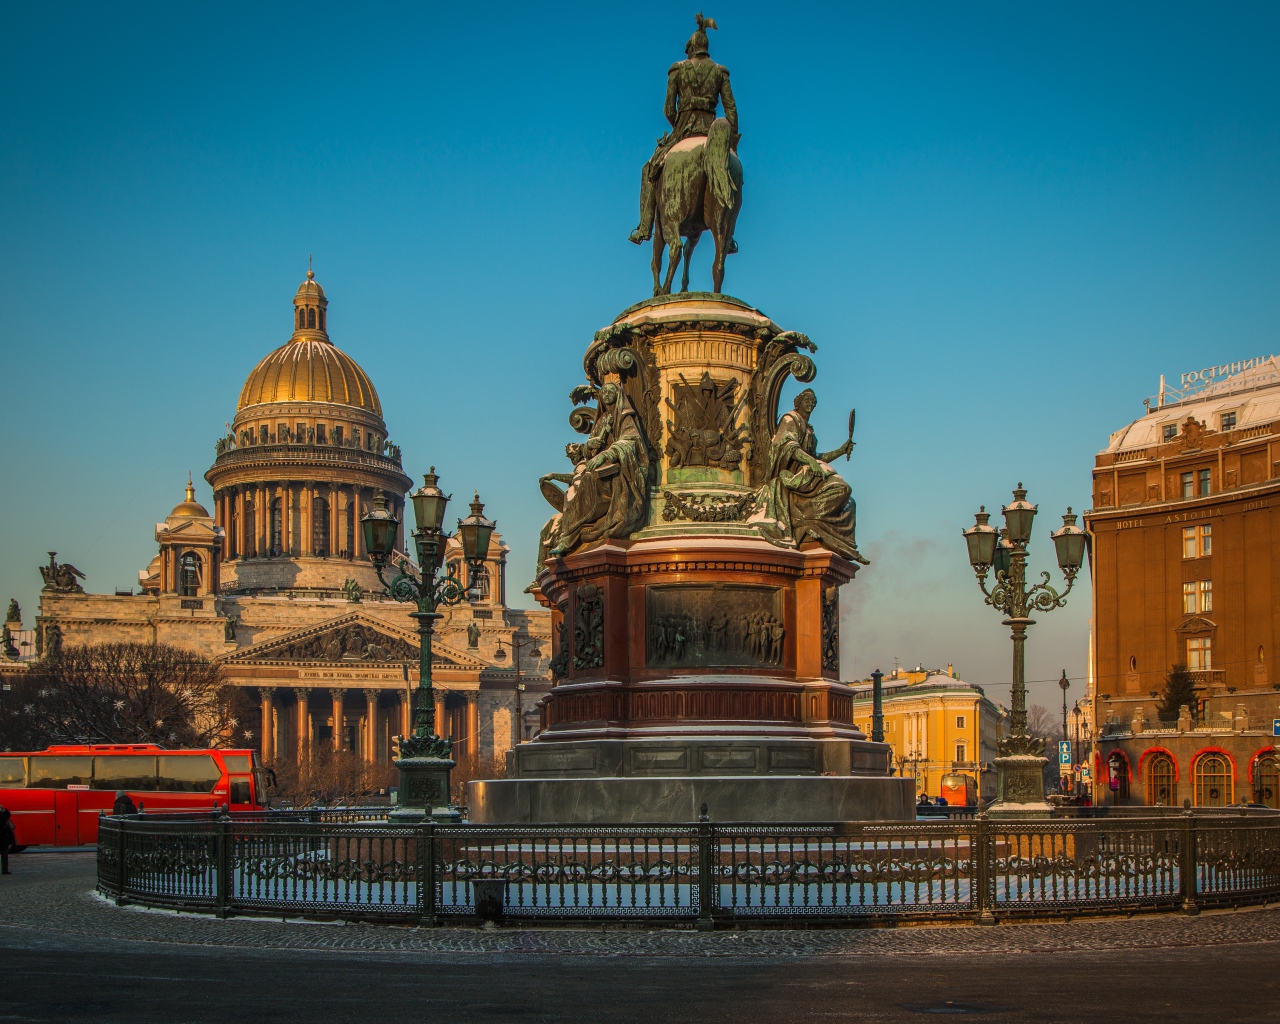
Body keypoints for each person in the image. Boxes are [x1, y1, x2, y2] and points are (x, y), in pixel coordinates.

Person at [629, 13, 738, 249]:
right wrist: (731, 142)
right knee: (731, 173)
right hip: (712, 131)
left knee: (649, 168)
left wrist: (679, 125)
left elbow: (669, 108)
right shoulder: (720, 72)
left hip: (684, 129)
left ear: (691, 50)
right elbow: (731, 111)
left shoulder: (677, 70)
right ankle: (728, 238)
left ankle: (644, 227)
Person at [0, 806, 15, 874]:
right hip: (3, 837)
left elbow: (7, 815)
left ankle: (5, 869)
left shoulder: (3, 813)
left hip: (4, 837)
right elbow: (5, 817)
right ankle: (4, 869)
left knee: (5, 854)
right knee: (4, 854)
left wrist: (3, 810)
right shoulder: (2, 816)